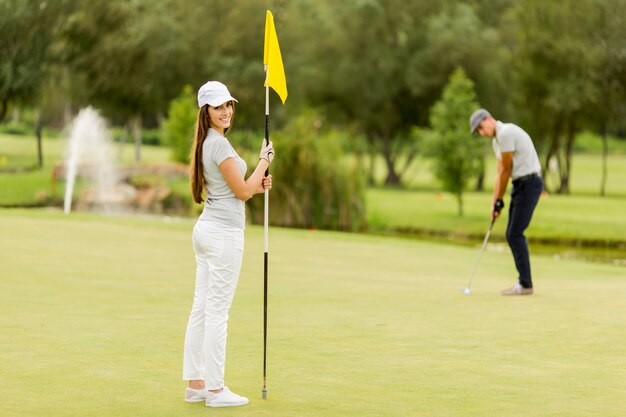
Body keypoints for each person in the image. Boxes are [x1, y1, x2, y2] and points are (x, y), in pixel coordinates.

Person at [182, 81, 274, 407]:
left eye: (229, 105)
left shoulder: (209, 142)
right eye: (219, 107)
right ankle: (216, 391)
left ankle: (196, 383)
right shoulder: (218, 145)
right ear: (206, 111)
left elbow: (242, 188)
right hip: (223, 235)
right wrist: (264, 160)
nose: (226, 111)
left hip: (208, 230)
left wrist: (257, 185)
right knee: (217, 312)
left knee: (203, 308)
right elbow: (242, 192)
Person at [469, 109, 543, 296]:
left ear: (489, 119)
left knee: (515, 233)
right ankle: (524, 282)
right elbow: (499, 172)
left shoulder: (506, 133)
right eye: (478, 131)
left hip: (530, 182)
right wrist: (495, 203)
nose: (481, 133)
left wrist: (500, 199)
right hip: (520, 185)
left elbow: (506, 171)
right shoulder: (497, 141)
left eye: (480, 127)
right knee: (512, 233)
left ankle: (525, 284)